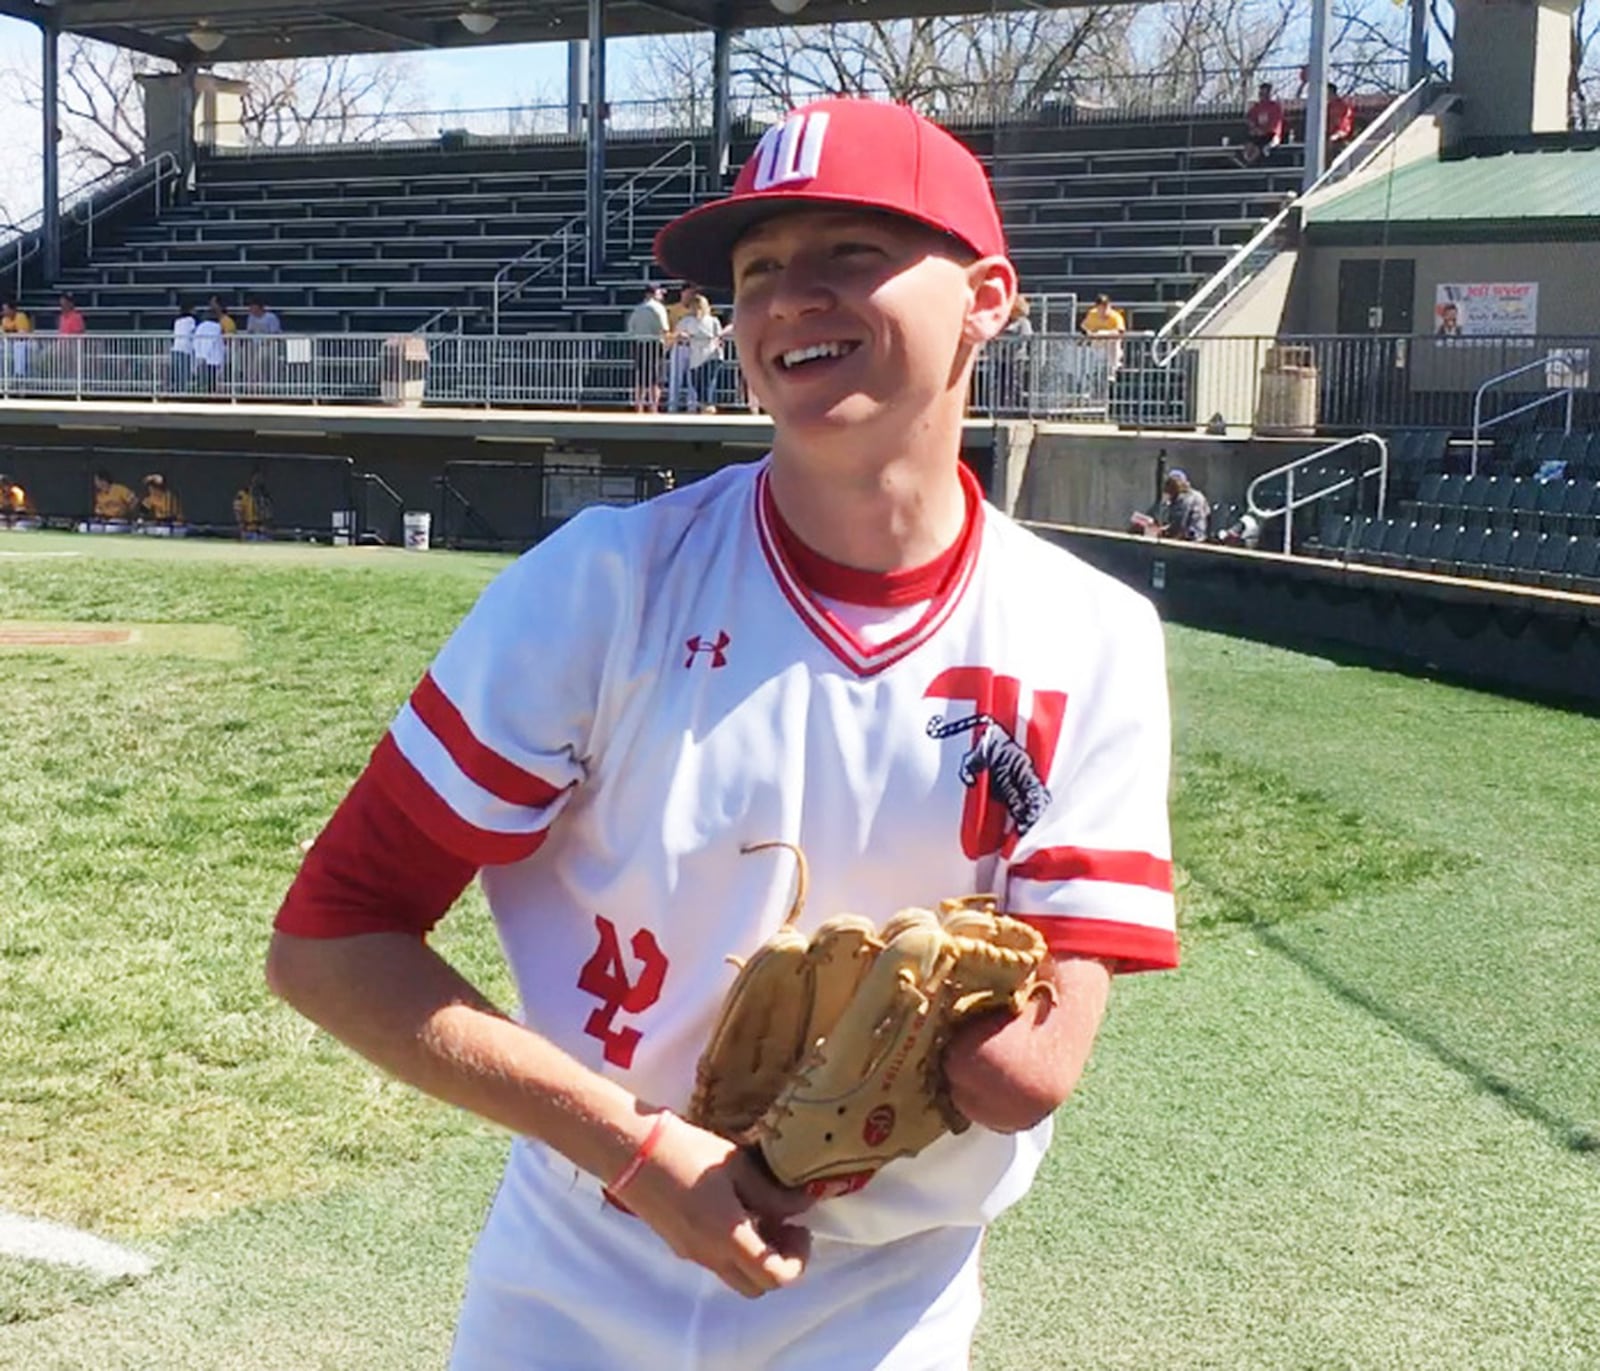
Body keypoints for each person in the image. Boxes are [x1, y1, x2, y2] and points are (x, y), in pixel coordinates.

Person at [264, 96, 1178, 1371]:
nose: (788, 299)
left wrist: (1009, 1049)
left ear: (987, 296)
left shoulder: (1091, 635)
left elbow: (1037, 1053)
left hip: (887, 1305)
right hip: (581, 1269)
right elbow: (329, 938)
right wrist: (638, 1152)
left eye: (848, 254)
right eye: (754, 274)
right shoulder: (604, 585)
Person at [671, 292, 725, 413]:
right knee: (696, 382)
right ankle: (704, 405)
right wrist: (682, 336)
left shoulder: (713, 320)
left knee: (708, 381)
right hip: (696, 356)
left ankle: (708, 406)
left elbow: (719, 336)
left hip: (711, 354)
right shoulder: (687, 321)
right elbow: (676, 333)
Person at [625, 284, 670, 413]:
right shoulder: (659, 308)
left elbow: (631, 328)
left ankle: (639, 405)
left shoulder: (637, 309)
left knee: (641, 376)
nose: (661, 295)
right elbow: (664, 328)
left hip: (640, 343)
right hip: (655, 344)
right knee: (655, 378)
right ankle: (653, 406)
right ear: (652, 294)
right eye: (659, 293)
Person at [1156, 469, 1210, 541]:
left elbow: (1179, 525)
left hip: (1189, 540)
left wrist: (1164, 532)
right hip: (1201, 536)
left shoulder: (1184, 499)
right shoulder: (1198, 495)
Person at [1238, 82, 1284, 166]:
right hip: (1258, 135)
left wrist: (1263, 131)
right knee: (1248, 146)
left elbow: (1275, 126)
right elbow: (1250, 119)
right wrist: (1253, 128)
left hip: (1271, 136)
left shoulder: (1275, 107)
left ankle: (1255, 166)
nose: (1262, 96)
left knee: (1262, 148)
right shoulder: (1257, 107)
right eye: (1261, 93)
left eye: (1265, 93)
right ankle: (1246, 163)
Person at [233, 469, 273, 540]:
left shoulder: (263, 495)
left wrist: (266, 526)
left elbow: (267, 513)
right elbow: (237, 510)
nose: (257, 481)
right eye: (255, 478)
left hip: (261, 531)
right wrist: (242, 526)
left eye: (260, 478)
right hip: (248, 530)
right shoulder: (243, 494)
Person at [194, 306, 226, 392]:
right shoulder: (217, 326)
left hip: (203, 354)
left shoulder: (201, 326)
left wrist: (199, 353)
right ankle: (210, 390)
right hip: (213, 354)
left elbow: (196, 339)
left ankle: (204, 390)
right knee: (212, 375)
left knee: (205, 375)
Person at [2, 299, 32, 382]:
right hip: (10, 345)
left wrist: (10, 333)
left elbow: (22, 335)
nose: (4, 312)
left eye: (6, 309)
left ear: (12, 309)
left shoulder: (21, 316)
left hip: (26, 345)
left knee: (19, 347)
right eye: (3, 310)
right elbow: (2, 333)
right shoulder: (5, 319)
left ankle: (19, 376)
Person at [170, 303, 196, 392]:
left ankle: (177, 390)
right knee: (184, 372)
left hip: (176, 347)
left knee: (177, 372)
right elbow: (193, 332)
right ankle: (182, 391)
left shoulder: (177, 321)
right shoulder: (191, 320)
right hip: (185, 348)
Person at [1326, 83, 1355, 157]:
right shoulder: (1327, 107)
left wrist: (1338, 134)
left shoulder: (1342, 106)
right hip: (1328, 139)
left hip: (1340, 140)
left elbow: (1345, 122)